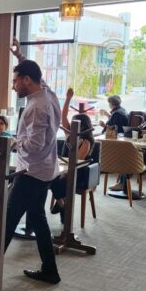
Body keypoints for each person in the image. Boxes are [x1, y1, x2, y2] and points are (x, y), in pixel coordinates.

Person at [0, 59, 62, 285]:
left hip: (31, 172)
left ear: (27, 80)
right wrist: (19, 56)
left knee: (7, 219)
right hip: (46, 169)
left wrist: (14, 142)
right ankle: (50, 269)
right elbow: (38, 77)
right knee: (37, 218)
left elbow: (34, 144)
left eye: (15, 81)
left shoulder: (36, 107)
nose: (13, 85)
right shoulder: (49, 95)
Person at [49, 88, 95, 221]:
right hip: (64, 168)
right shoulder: (69, 134)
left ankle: (62, 206)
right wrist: (68, 98)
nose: (71, 126)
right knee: (48, 178)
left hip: (78, 172)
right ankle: (62, 205)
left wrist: (63, 173)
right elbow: (63, 116)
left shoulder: (86, 141)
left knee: (55, 182)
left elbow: (77, 161)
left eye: (75, 124)